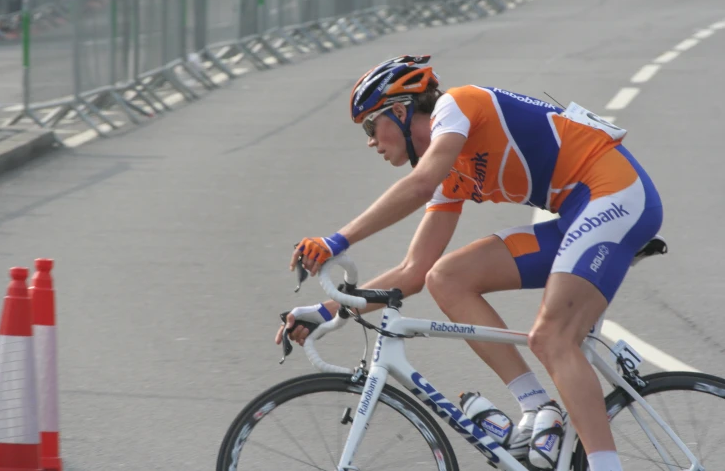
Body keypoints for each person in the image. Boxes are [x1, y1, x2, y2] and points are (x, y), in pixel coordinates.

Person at [275, 55, 662, 471]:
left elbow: (419, 185)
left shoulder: (457, 106)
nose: (371, 140)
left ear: (401, 112)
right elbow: (413, 273)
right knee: (447, 278)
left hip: (616, 196)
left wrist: (336, 241)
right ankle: (538, 408)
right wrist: (326, 311)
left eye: (372, 125)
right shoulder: (448, 175)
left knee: (552, 338)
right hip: (577, 214)